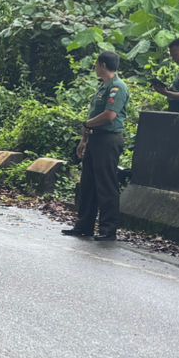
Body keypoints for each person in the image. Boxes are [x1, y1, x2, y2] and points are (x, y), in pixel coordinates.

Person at [63, 51, 130, 243]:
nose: (95, 67)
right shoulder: (104, 87)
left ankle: (108, 229)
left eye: (96, 64)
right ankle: (84, 225)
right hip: (95, 138)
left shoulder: (118, 87)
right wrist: (84, 140)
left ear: (102, 64)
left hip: (109, 140)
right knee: (88, 184)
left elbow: (109, 116)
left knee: (106, 184)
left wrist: (86, 125)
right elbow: (93, 118)